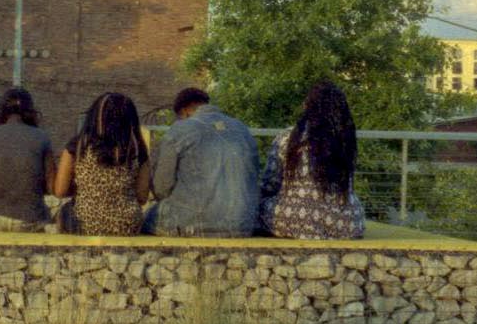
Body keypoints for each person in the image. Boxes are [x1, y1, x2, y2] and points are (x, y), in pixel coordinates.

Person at [142, 87, 259, 236]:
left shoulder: (180, 129)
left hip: (194, 224)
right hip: (243, 224)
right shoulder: (242, 129)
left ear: (184, 111)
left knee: (148, 215)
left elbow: (162, 188)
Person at [258, 80, 366, 239]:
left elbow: (270, 184)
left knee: (258, 209)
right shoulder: (344, 139)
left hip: (297, 218)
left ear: (307, 106)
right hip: (347, 222)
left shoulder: (288, 137)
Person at [52, 91, 152, 235]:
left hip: (84, 223)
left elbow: (60, 191)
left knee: (63, 212)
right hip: (126, 226)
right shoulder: (137, 150)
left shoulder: (78, 146)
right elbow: (142, 197)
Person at [0, 87, 55, 231]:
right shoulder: (42, 138)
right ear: (31, 111)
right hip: (29, 221)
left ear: (2, 111)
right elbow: (52, 188)